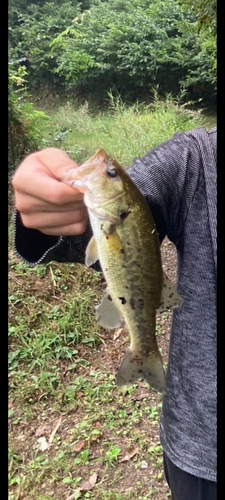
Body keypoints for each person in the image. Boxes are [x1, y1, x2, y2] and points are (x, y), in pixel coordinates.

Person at [12, 126, 217, 500]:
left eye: (109, 174)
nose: (107, 169)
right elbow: (125, 209)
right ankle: (144, 352)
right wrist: (58, 212)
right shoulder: (196, 158)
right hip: (204, 447)